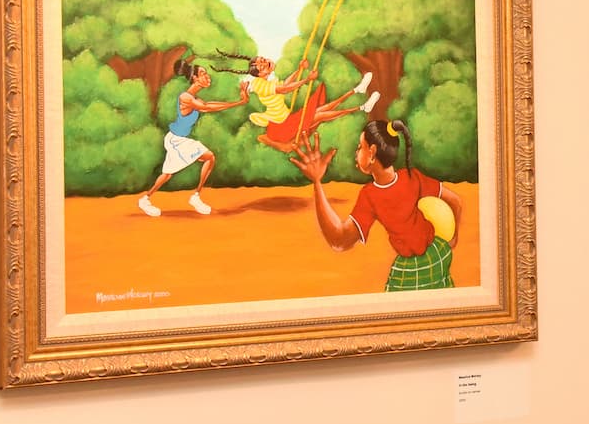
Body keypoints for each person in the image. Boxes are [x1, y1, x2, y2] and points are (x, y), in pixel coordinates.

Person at [290, 120, 463, 291]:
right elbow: (455, 201)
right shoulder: (412, 177)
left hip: (411, 268)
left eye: (360, 146)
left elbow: (339, 240)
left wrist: (317, 182)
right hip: (439, 253)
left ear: (372, 152)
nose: (356, 152)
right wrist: (452, 240)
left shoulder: (371, 195)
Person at [138, 59, 249, 217]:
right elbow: (206, 107)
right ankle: (183, 197)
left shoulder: (194, 98)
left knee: (201, 161)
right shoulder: (186, 97)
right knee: (180, 168)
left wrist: (240, 102)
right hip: (176, 140)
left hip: (179, 140)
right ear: (195, 78)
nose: (207, 77)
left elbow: (209, 104)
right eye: (203, 74)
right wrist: (238, 102)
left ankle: (150, 198)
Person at [212, 49, 379, 153]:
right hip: (281, 127)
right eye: (263, 65)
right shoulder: (259, 85)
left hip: (286, 120)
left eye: (263, 60)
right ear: (259, 73)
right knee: (319, 114)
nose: (266, 62)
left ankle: (357, 91)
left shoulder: (268, 81)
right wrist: (307, 79)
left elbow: (285, 84)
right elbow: (285, 90)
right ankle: (361, 106)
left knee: (321, 111)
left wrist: (300, 70)